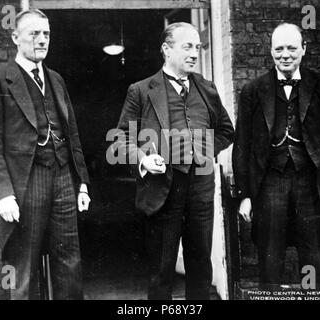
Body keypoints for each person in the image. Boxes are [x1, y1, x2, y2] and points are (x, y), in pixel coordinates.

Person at [113, 22, 234, 300]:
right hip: (163, 188)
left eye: (198, 47)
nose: (194, 53)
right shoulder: (142, 91)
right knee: (161, 271)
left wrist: (202, 151)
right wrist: (143, 158)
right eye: (187, 46)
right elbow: (121, 138)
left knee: (201, 269)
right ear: (166, 50)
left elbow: (227, 131)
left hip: (201, 189)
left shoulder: (206, 88)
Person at [0, 9, 91, 299]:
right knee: (23, 266)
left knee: (69, 262)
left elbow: (72, 134)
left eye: (46, 34)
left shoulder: (56, 79)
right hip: (26, 183)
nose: (42, 40)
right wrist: (3, 194)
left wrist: (82, 182)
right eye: (34, 34)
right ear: (16, 37)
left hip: (63, 178)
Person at [232, 23, 320, 290]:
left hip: (310, 182)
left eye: (292, 48)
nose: (285, 54)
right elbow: (242, 146)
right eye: (279, 49)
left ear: (303, 49)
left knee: (312, 257)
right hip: (270, 182)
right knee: (270, 258)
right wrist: (245, 195)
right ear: (270, 52)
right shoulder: (253, 90)